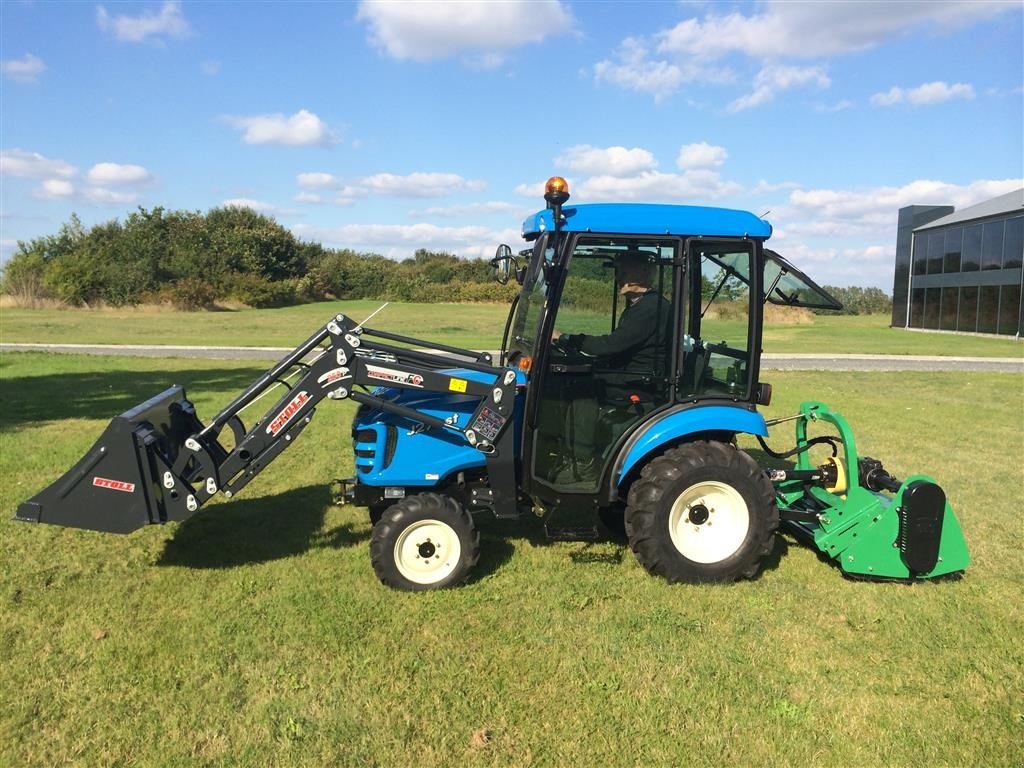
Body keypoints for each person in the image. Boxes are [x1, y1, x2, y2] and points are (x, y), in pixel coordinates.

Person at [548, 250, 673, 485]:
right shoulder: (640, 305)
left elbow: (612, 344)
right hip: (630, 374)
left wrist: (565, 338)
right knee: (575, 376)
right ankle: (569, 453)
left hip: (640, 382)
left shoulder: (651, 308)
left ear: (643, 273)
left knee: (581, 389)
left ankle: (584, 464)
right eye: (618, 271)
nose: (619, 277)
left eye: (625, 271)